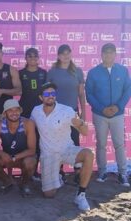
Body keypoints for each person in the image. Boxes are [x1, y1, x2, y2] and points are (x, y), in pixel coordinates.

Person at [31, 82, 94, 211]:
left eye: (53, 93)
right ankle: (58, 177)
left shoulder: (66, 110)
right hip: (48, 154)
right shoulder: (36, 111)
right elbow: (29, 126)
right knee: (49, 194)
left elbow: (85, 132)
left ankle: (81, 195)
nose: (51, 96)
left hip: (67, 150)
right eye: (47, 94)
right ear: (40, 97)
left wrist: (81, 123)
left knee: (89, 154)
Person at [86, 43, 131, 187]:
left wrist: (118, 106)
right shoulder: (93, 72)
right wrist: (101, 108)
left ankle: (122, 173)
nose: (108, 55)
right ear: (101, 54)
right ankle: (102, 171)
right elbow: (89, 93)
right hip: (100, 114)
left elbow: (127, 91)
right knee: (101, 144)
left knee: (119, 144)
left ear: (115, 54)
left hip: (117, 114)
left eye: (111, 52)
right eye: (106, 52)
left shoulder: (123, 71)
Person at [0, 99, 37, 197]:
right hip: (7, 158)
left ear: (20, 111)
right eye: (10, 110)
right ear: (5, 113)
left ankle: (24, 184)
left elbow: (32, 150)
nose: (14, 113)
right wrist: (1, 153)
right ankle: (7, 181)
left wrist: (15, 157)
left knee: (30, 162)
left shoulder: (28, 123)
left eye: (16, 110)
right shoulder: (0, 124)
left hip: (22, 158)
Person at [47, 44, 86, 146]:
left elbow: (81, 94)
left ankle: (75, 162)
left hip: (73, 112)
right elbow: (47, 94)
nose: (66, 56)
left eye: (68, 53)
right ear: (58, 56)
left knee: (75, 143)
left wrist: (83, 112)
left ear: (71, 54)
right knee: (57, 144)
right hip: (56, 113)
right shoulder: (52, 72)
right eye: (63, 54)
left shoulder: (78, 71)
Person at [18, 47, 47, 181]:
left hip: (40, 113)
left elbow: (47, 94)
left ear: (38, 58)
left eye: (35, 57)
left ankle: (35, 172)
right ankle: (26, 171)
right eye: (30, 56)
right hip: (25, 111)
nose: (32, 59)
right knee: (25, 142)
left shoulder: (43, 73)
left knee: (40, 141)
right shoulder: (20, 73)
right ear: (26, 58)